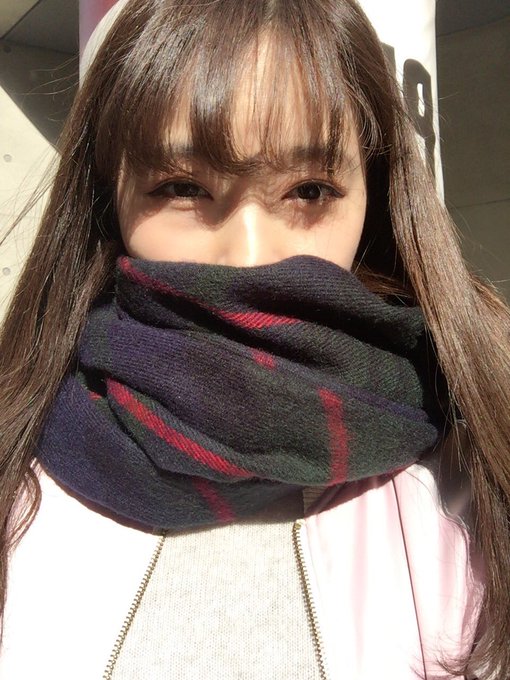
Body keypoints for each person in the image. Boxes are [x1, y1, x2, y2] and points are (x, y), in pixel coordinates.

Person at [0, 0, 509, 678]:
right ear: (107, 197)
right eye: (182, 187)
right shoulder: (19, 465)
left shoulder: (480, 465)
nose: (248, 257)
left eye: (309, 191)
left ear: (377, 196)